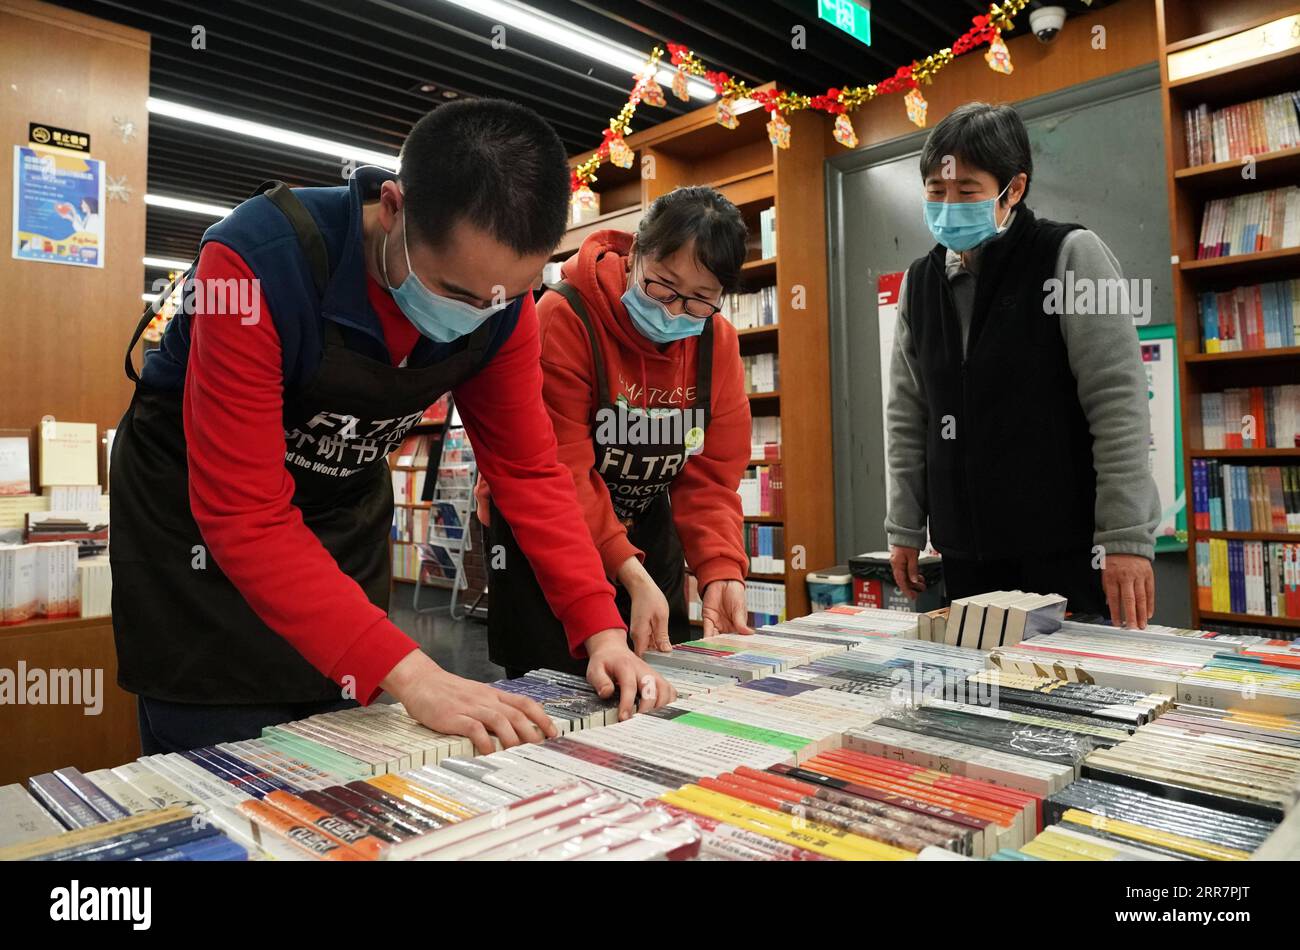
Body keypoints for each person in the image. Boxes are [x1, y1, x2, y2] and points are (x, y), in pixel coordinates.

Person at [110, 99, 674, 758]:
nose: (478, 315)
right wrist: (415, 674)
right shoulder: (255, 260)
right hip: (197, 534)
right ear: (394, 206)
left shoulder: (502, 308)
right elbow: (243, 512)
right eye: (457, 292)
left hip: (340, 517)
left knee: (344, 749)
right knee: (222, 760)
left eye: (505, 297)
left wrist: (599, 627)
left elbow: (527, 472)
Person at [886, 102, 1160, 628]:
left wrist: (1125, 538)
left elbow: (1119, 402)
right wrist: (903, 526)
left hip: (1066, 557)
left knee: (1070, 703)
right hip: (963, 561)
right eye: (935, 192)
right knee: (968, 704)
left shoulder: (1069, 255)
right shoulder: (919, 283)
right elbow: (908, 413)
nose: (948, 205)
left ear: (1013, 189)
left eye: (967, 192)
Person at [478, 186, 754, 678]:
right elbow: (561, 472)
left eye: (699, 301)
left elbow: (710, 479)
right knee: (556, 697)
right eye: (661, 287)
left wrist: (720, 572)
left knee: (657, 685)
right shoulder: (565, 317)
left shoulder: (717, 343)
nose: (673, 311)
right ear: (635, 256)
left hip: (646, 525)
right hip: (549, 531)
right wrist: (625, 571)